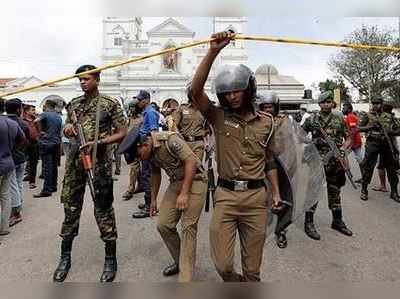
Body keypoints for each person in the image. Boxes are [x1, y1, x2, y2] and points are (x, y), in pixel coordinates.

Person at [191, 31, 282, 282]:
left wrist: (275, 193)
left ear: (248, 89)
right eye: (226, 92)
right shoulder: (218, 117)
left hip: (255, 199)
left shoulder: (267, 123)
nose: (231, 96)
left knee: (252, 270)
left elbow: (269, 161)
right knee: (223, 266)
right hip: (226, 197)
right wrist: (213, 51)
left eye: (236, 91)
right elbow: (195, 91)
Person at [53, 65, 127, 283]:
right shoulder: (74, 104)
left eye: (86, 79)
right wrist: (67, 128)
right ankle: (65, 257)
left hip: (99, 163)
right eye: (80, 80)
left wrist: (99, 142)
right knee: (71, 208)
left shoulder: (109, 104)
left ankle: (110, 258)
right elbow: (68, 125)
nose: (82, 83)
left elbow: (123, 132)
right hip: (76, 163)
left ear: (97, 79)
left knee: (103, 208)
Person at [122, 129, 207, 282]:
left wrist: (184, 193)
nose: (141, 160)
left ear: (144, 144)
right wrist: (153, 199)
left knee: (188, 227)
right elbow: (155, 173)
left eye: (139, 156)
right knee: (163, 225)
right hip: (176, 182)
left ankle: (185, 278)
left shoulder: (169, 140)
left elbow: (191, 161)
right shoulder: (149, 152)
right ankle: (180, 260)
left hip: (195, 180)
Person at [302, 91, 353, 240]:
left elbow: (348, 138)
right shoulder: (312, 119)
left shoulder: (339, 119)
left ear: (332, 103)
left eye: (329, 101)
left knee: (335, 191)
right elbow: (299, 135)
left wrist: (342, 150)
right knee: (313, 192)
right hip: (316, 162)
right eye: (323, 102)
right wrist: (311, 142)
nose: (326, 104)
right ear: (319, 104)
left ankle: (337, 221)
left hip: (334, 162)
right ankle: (309, 223)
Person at [259, 91, 296, 249]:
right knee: (262, 197)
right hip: (264, 164)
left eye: (270, 106)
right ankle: (260, 229)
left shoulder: (284, 120)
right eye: (265, 106)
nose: (268, 109)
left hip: (283, 163)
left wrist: (291, 165)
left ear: (276, 107)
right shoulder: (257, 121)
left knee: (285, 198)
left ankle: (281, 230)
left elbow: (291, 143)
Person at [358, 97, 400, 202]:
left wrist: (391, 132)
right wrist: (370, 127)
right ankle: (364, 190)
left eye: (378, 103)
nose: (375, 105)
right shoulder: (367, 115)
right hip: (373, 143)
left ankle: (394, 192)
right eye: (374, 103)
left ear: (382, 103)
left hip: (387, 143)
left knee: (391, 169)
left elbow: (398, 129)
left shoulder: (389, 116)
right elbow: (358, 128)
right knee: (368, 167)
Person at [0, 98, 26, 239]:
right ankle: (3, 227)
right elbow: (23, 140)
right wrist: (11, 150)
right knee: (5, 196)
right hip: (8, 162)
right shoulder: (11, 123)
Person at [132, 90, 159, 218]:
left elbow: (153, 131)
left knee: (147, 176)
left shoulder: (150, 112)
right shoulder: (146, 112)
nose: (139, 102)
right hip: (145, 146)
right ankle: (149, 202)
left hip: (148, 147)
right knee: (145, 174)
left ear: (147, 100)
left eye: (140, 100)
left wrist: (153, 150)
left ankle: (149, 206)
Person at [6, 99, 31, 227]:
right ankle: (18, 205)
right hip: (21, 157)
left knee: (12, 184)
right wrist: (20, 151)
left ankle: (16, 211)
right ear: (18, 109)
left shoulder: (5, 122)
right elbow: (27, 140)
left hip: (9, 158)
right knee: (18, 183)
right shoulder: (23, 123)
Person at [33, 100, 62, 198]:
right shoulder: (58, 116)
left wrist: (40, 131)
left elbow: (35, 121)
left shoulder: (45, 114)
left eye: (44, 105)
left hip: (46, 143)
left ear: (47, 105)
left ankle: (47, 189)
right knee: (54, 166)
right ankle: (53, 186)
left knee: (47, 167)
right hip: (56, 143)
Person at [122, 97, 144, 201]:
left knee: (134, 168)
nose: (130, 110)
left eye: (132, 108)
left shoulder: (142, 119)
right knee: (136, 167)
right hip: (131, 147)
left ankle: (130, 189)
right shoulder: (130, 119)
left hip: (140, 146)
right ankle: (141, 185)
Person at [342, 103, 363, 183]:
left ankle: (349, 172)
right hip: (353, 141)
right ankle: (363, 177)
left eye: (344, 108)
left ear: (349, 109)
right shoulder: (350, 116)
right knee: (359, 159)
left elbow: (353, 130)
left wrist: (350, 143)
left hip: (354, 141)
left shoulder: (350, 117)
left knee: (342, 155)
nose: (343, 109)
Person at [22, 104, 40, 189]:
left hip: (34, 144)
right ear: (26, 111)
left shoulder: (36, 120)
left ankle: (32, 182)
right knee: (22, 162)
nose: (34, 112)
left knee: (33, 163)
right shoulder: (22, 121)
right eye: (32, 110)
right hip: (24, 144)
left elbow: (39, 131)